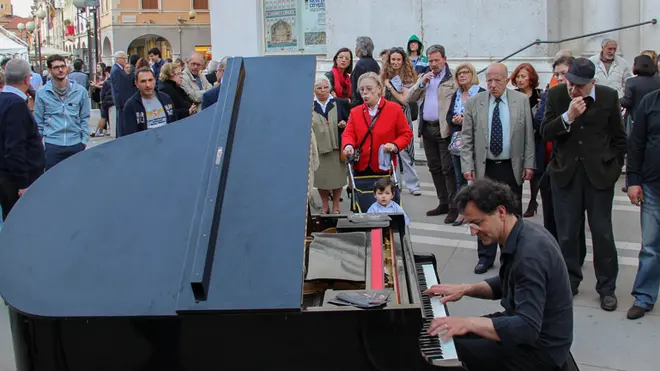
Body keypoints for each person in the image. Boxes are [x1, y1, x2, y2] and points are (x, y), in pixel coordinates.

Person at [425, 178, 573, 371]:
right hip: (530, 332)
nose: (473, 232)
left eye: (477, 223)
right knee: (452, 337)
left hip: (541, 351)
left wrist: (469, 322)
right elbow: (506, 283)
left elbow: (526, 328)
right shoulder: (521, 232)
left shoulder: (530, 254)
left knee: (454, 351)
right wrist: (465, 289)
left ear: (501, 212)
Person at [541, 57, 626, 310]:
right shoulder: (556, 95)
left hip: (599, 176)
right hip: (566, 174)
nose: (573, 89)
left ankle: (607, 287)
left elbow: (619, 138)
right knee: (567, 233)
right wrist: (567, 117)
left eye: (579, 85)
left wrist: (613, 168)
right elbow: (545, 131)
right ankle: (570, 279)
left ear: (592, 83)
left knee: (602, 233)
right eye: (570, 83)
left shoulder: (609, 97)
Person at [460, 63, 535, 274]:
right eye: (489, 81)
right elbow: (466, 138)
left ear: (507, 80)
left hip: (511, 166)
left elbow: (528, 135)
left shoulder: (520, 101)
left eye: (497, 81)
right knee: (483, 212)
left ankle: (512, 255)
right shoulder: (475, 103)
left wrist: (529, 163)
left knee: (511, 212)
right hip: (486, 167)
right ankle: (485, 257)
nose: (492, 85)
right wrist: (467, 165)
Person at [625, 86, 660, 319]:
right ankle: (644, 297)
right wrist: (633, 180)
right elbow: (636, 143)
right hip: (652, 184)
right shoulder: (650, 101)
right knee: (650, 246)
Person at [0, 59, 45, 219]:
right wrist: (23, 183)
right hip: (16, 179)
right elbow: (15, 146)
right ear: (28, 79)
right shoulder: (15, 104)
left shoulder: (4, 99)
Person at [34, 54, 90, 171]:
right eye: (56, 67)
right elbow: (38, 121)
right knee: (53, 183)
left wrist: (83, 140)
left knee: (76, 180)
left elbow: (84, 117)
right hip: (52, 144)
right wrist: (40, 144)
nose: (60, 70)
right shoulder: (42, 93)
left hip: (75, 143)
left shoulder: (80, 91)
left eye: (62, 66)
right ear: (49, 70)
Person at [123, 67, 177, 135]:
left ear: (155, 80)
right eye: (143, 81)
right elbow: (130, 134)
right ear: (136, 84)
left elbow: (174, 122)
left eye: (150, 80)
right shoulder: (131, 105)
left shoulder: (166, 98)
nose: (147, 85)